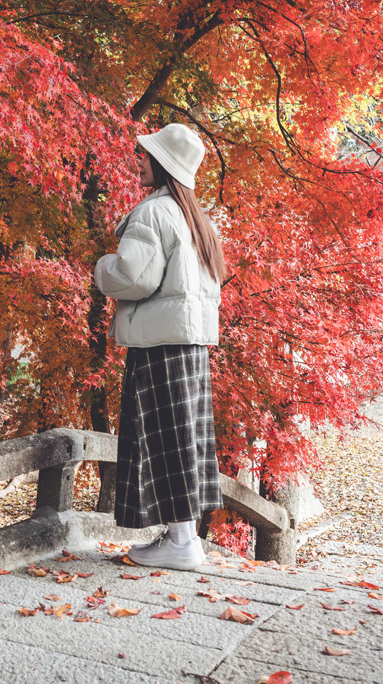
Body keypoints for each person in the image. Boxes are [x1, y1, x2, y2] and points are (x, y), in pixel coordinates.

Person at [93, 123, 224, 570]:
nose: (139, 161)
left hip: (159, 344)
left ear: (164, 164)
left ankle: (183, 542)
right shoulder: (196, 219)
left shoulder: (154, 213)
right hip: (190, 344)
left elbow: (132, 276)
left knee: (161, 435)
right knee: (181, 433)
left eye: (145, 155)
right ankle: (182, 536)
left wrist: (102, 266)